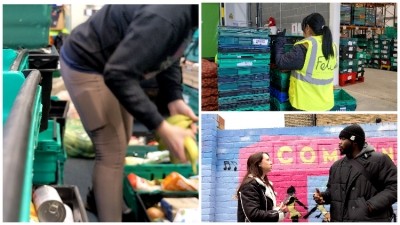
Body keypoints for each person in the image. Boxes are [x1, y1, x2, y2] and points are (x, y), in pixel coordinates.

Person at [60, 5, 198, 222]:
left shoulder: (186, 15)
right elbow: (118, 74)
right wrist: (161, 127)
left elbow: (168, 52)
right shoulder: (166, 15)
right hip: (87, 64)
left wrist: (175, 99)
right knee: (111, 150)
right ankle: (109, 216)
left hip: (112, 64)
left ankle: (99, 200)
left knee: (121, 142)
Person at [313, 124, 397, 222]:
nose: (339, 143)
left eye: (343, 139)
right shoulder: (336, 166)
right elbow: (333, 191)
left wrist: (369, 206)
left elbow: (395, 187)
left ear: (354, 141)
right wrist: (323, 197)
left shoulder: (379, 160)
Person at [274, 13, 337, 111]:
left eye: (303, 28)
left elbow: (280, 62)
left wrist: (279, 41)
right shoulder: (332, 46)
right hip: (326, 104)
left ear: (307, 27)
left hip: (305, 105)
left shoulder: (305, 47)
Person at [237, 152, 288, 222]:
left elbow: (265, 210)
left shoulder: (266, 185)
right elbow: (253, 215)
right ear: (259, 164)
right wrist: (278, 213)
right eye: (267, 160)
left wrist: (279, 210)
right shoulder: (250, 185)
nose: (271, 162)